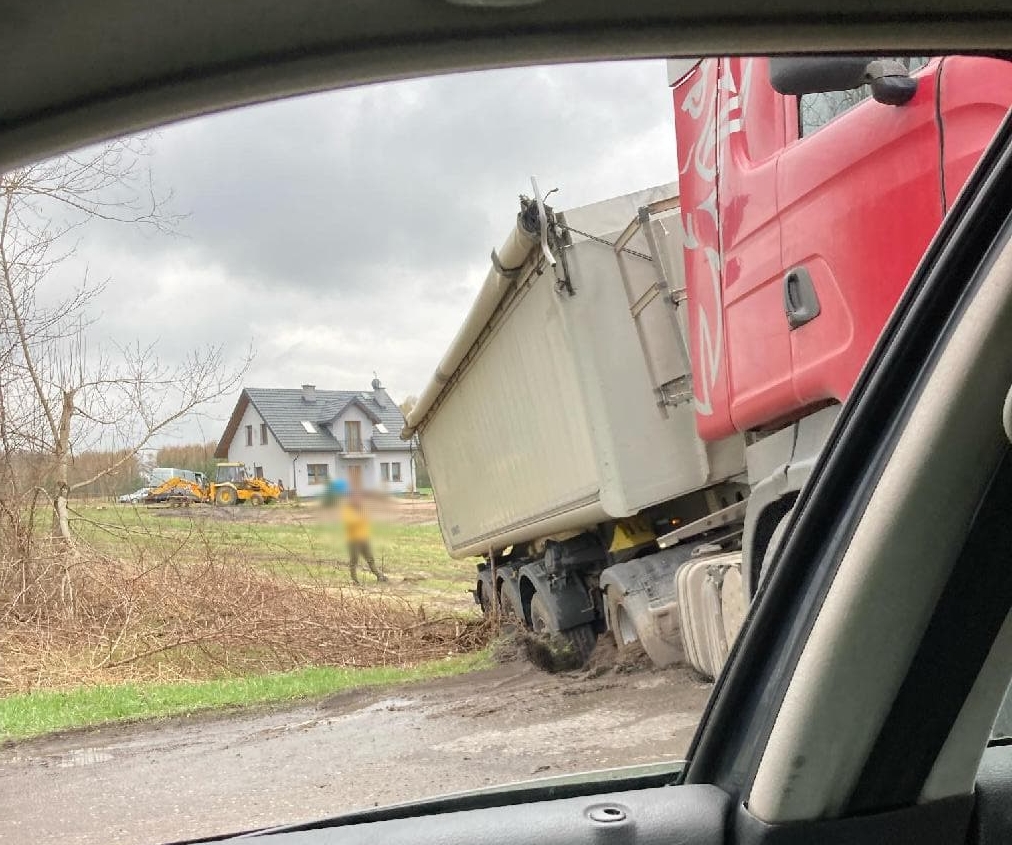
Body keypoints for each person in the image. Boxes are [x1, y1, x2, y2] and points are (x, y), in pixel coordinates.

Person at [340, 490, 387, 584]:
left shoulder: (362, 508)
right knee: (354, 561)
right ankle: (354, 580)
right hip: (353, 540)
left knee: (370, 559)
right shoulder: (347, 509)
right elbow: (352, 521)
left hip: (364, 538)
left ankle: (379, 576)